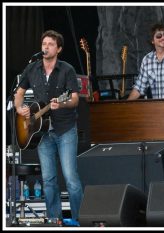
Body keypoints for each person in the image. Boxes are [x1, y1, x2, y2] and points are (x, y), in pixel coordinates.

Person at [14, 30, 83, 221]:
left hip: (65, 128)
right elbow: (18, 93)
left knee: (71, 178)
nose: (46, 47)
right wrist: (20, 109)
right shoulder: (32, 69)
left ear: (59, 49)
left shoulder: (67, 69)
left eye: (51, 44)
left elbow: (75, 99)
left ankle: (79, 220)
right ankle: (54, 220)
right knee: (49, 180)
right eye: (44, 43)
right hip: (42, 133)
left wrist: (61, 103)